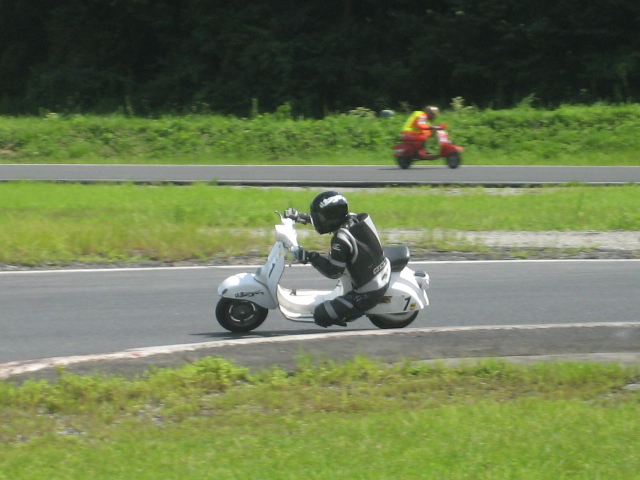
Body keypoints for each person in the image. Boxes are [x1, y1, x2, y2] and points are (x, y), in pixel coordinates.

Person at [284, 191, 391, 328]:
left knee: (321, 314)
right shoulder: (353, 218)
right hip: (379, 269)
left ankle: (355, 312)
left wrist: (310, 257)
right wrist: (300, 216)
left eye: (321, 217)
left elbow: (333, 272)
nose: (319, 220)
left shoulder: (341, 239)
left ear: (333, 217)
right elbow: (327, 220)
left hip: (369, 291)